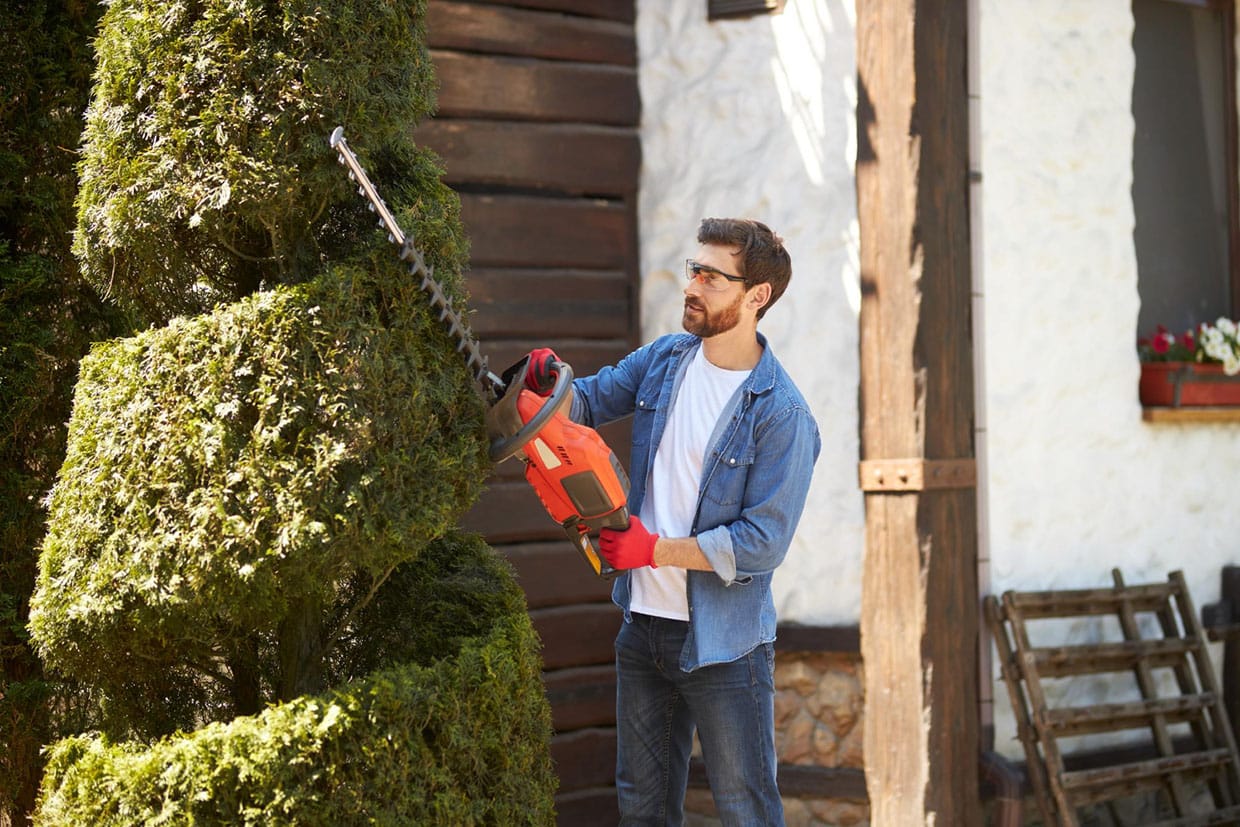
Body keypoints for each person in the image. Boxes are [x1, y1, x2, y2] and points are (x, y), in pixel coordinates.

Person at [519, 217, 820, 826]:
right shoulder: (666, 357)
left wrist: (653, 550)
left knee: (746, 811)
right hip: (644, 629)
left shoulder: (782, 413)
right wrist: (550, 382)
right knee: (643, 807)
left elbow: (762, 543)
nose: (694, 285)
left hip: (724, 647)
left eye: (713, 276)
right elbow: (592, 400)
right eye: (694, 269)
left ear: (756, 296)